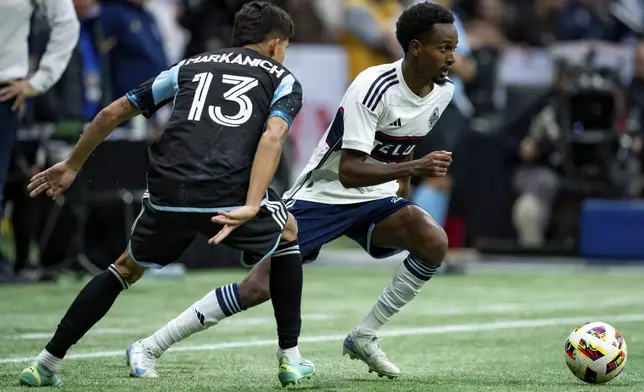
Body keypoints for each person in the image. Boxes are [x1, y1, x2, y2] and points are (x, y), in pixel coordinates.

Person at [126, 1, 456, 380]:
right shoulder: (373, 85)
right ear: (416, 48)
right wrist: (415, 168)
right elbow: (348, 172)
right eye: (444, 48)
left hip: (374, 198)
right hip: (323, 195)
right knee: (257, 288)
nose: (452, 57)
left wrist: (404, 191)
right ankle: (149, 345)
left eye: (454, 48)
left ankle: (365, 335)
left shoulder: (442, 93)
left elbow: (404, 141)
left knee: (433, 241)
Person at [19, 2, 315, 387]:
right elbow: (272, 135)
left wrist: (73, 165)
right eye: (286, 46)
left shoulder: (190, 65)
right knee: (288, 232)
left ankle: (46, 363)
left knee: (124, 268)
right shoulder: (282, 76)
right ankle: (290, 357)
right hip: (226, 190)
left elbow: (113, 112)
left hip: (167, 188)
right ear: (276, 44)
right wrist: (252, 203)